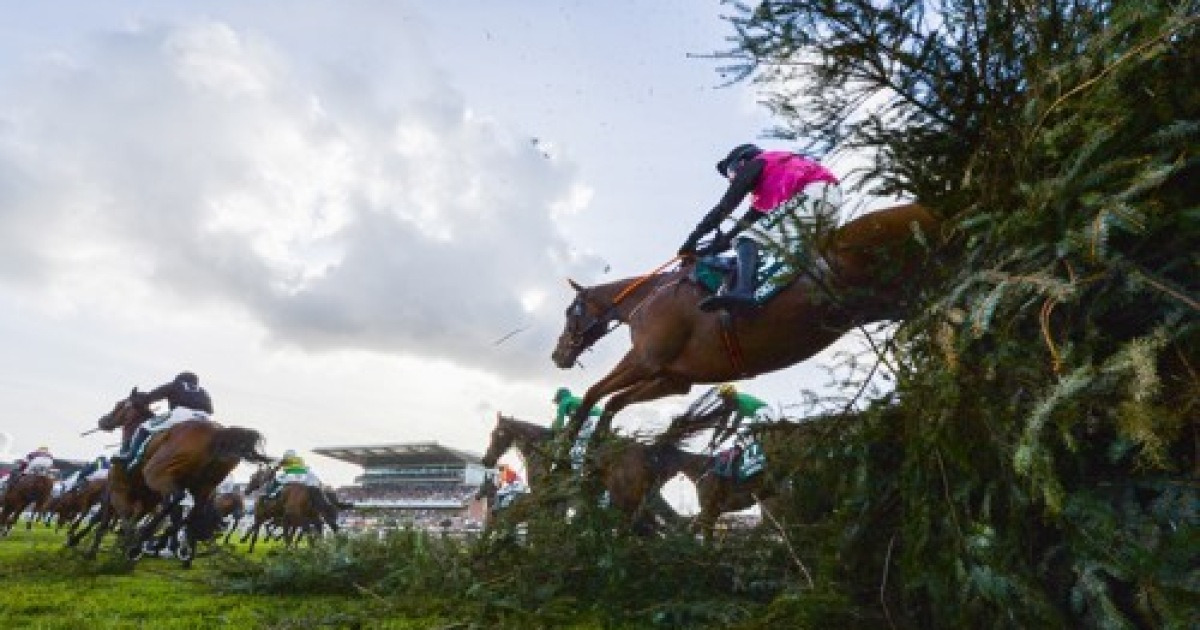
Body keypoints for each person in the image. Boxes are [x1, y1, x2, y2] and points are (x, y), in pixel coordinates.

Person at [677, 144, 841, 312]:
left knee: (747, 238)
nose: (731, 179)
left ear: (742, 161)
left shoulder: (757, 163)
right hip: (828, 200)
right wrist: (708, 250)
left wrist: (692, 239)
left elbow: (724, 208)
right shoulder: (772, 177)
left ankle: (744, 292)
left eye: (731, 172)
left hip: (814, 195)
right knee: (753, 240)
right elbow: (742, 227)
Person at [116, 371, 213, 463]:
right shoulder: (203, 391)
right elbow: (211, 410)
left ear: (179, 379)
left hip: (181, 414)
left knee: (144, 427)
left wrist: (138, 399)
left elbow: (151, 396)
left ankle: (130, 455)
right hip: (205, 418)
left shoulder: (175, 385)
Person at [710, 384, 773, 479]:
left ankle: (755, 467)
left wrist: (715, 441)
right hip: (764, 413)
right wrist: (717, 442)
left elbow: (726, 424)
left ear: (730, 396)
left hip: (763, 412)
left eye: (724, 398)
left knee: (745, 438)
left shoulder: (739, 401)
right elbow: (732, 429)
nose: (723, 401)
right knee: (742, 439)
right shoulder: (738, 403)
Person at [551, 387, 604, 470]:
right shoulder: (576, 400)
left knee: (577, 448)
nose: (557, 404)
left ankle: (578, 475)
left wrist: (553, 432)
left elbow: (559, 421)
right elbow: (573, 422)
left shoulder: (564, 402)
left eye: (557, 401)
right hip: (602, 419)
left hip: (591, 419)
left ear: (559, 398)